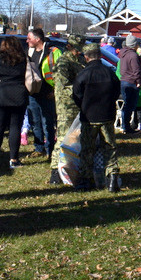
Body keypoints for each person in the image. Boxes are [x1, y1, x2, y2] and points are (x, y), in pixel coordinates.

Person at [72, 43, 122, 192]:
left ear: (86, 57)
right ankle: (112, 178)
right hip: (107, 115)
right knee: (110, 147)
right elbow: (116, 92)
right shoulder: (110, 73)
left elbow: (76, 95)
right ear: (100, 56)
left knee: (87, 148)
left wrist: (84, 105)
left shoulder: (83, 74)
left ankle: (86, 180)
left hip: (89, 117)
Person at [49, 34, 87, 184]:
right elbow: (62, 86)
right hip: (66, 106)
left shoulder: (80, 61)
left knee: (76, 138)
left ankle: (72, 168)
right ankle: (55, 172)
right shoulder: (63, 63)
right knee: (63, 138)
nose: (79, 52)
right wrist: (83, 90)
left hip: (79, 105)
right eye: (76, 49)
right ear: (70, 47)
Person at [0, 36, 29, 170]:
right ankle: (14, 159)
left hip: (1, 95)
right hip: (18, 94)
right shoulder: (23, 60)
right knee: (15, 127)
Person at [26, 28, 61, 156]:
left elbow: (60, 73)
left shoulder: (53, 52)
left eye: (29, 38)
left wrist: (54, 90)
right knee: (35, 122)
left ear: (37, 39)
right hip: (33, 94)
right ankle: (38, 148)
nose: (27, 41)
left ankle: (50, 149)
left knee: (47, 123)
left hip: (47, 93)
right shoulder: (30, 52)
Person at [117, 37, 141, 134]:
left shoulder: (123, 54)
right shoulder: (133, 55)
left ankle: (125, 126)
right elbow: (136, 70)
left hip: (124, 80)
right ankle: (127, 127)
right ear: (134, 44)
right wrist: (138, 81)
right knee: (130, 106)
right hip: (132, 82)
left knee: (127, 105)